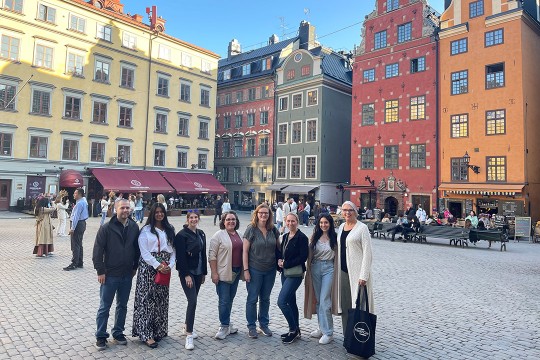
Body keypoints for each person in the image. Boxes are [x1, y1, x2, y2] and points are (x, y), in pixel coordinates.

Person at [92, 199, 140, 351]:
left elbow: (137, 249)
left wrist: (135, 267)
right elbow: (97, 251)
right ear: (115, 210)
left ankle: (118, 332)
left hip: (127, 274)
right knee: (104, 306)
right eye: (122, 208)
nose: (125, 210)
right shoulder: (106, 228)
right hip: (110, 274)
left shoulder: (134, 227)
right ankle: (100, 335)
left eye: (127, 208)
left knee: (122, 305)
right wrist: (100, 271)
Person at [132, 203, 176, 348]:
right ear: (152, 214)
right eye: (156, 212)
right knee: (147, 300)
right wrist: (158, 266)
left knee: (161, 300)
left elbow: (174, 250)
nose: (159, 214)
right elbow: (144, 253)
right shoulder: (146, 231)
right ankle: (146, 333)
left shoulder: (169, 229)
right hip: (149, 268)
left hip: (165, 266)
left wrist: (170, 265)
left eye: (161, 212)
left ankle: (158, 330)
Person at [242, 203, 280, 339]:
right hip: (254, 269)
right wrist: (246, 270)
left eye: (266, 213)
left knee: (265, 298)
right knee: (252, 299)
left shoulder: (273, 230)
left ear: (270, 215)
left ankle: (263, 324)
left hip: (270, 270)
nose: (263, 215)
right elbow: (245, 251)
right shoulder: (251, 230)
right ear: (256, 214)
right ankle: (251, 326)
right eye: (261, 213)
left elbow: (278, 249)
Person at [336, 201, 374, 332]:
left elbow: (368, 253)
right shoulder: (341, 227)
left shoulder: (362, 228)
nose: (347, 213)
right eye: (344, 210)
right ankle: (347, 334)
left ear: (355, 212)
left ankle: (359, 334)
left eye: (350, 210)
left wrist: (364, 275)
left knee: (358, 304)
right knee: (345, 304)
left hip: (357, 273)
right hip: (343, 271)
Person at [174, 211, 207, 350]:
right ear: (187, 219)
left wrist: (204, 272)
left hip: (199, 272)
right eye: (191, 218)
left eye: (195, 217)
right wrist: (186, 274)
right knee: (192, 301)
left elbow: (203, 254)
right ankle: (189, 334)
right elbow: (180, 257)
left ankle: (187, 324)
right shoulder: (181, 235)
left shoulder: (201, 234)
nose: (193, 219)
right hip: (188, 273)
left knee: (193, 300)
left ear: (198, 219)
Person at [304, 214, 339, 345]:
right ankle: (321, 327)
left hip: (329, 268)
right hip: (315, 268)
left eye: (326, 223)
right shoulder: (314, 237)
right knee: (319, 300)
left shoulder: (335, 238)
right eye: (321, 223)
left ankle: (328, 332)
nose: (324, 225)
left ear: (330, 223)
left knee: (325, 299)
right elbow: (307, 253)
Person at [209, 211, 243, 340]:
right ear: (223, 221)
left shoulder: (240, 234)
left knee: (230, 298)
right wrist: (214, 273)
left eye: (233, 219)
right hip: (223, 272)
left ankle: (227, 323)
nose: (231, 222)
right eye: (228, 219)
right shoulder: (218, 235)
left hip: (236, 271)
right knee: (223, 300)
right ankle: (223, 326)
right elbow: (212, 256)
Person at [277, 213, 309, 344]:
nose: (290, 223)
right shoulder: (284, 237)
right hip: (285, 273)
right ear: (285, 222)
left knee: (282, 301)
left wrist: (286, 263)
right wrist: (279, 260)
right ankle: (296, 329)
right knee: (291, 302)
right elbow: (281, 252)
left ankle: (293, 329)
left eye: (293, 221)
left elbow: (303, 258)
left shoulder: (302, 238)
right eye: (288, 221)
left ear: (297, 221)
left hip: (295, 274)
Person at [64, 188, 89, 271]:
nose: (74, 195)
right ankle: (80, 262)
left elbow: (76, 217)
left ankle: (74, 263)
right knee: (79, 243)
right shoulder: (84, 201)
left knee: (75, 244)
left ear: (79, 194)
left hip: (78, 224)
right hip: (82, 223)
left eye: (75, 193)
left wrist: (72, 228)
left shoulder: (79, 204)